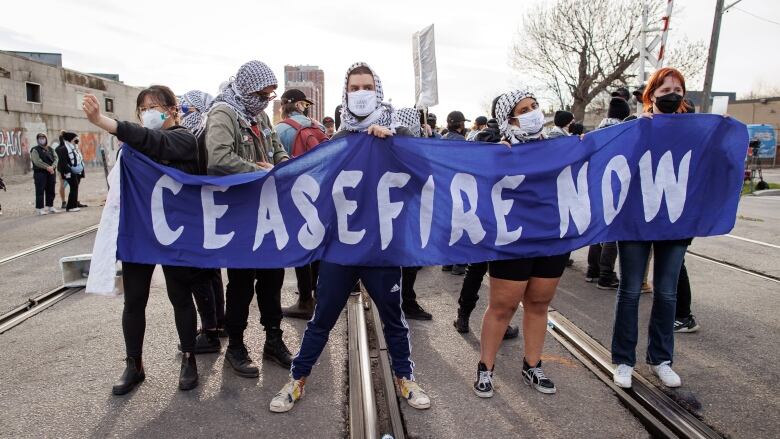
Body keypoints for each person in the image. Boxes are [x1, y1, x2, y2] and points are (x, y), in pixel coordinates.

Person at [271, 62, 430, 413]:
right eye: (355, 88)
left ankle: (405, 376)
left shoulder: (398, 135)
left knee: (394, 317)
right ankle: (297, 379)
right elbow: (314, 183)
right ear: (346, 93)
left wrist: (393, 146)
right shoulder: (338, 140)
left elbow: (424, 179)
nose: (361, 93)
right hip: (340, 248)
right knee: (322, 319)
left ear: (379, 89)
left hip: (383, 248)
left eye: (367, 86)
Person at [82, 85, 205, 394]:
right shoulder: (135, 145)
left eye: (155, 106)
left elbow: (152, 140)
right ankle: (133, 364)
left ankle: (189, 358)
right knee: (135, 300)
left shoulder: (184, 139)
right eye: (143, 108)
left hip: (174, 232)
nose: (148, 112)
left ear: (173, 110)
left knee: (180, 296)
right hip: (138, 232)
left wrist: (102, 121)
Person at [475, 87, 567, 398]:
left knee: (539, 303)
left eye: (534, 106)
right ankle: (485, 368)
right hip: (511, 238)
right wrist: (494, 157)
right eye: (524, 109)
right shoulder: (497, 150)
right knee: (503, 306)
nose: (532, 113)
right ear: (509, 120)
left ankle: (533, 364)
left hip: (551, 237)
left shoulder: (558, 145)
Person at [202, 60, 292, 377]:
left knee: (272, 279)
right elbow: (218, 159)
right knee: (241, 283)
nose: (267, 100)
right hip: (238, 214)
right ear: (247, 88)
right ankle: (236, 345)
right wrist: (260, 171)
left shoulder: (261, 116)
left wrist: (285, 168)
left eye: (271, 95)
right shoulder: (224, 113)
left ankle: (273, 339)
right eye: (263, 94)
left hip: (267, 213)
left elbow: (277, 151)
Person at [611, 67, 695, 390]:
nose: (672, 94)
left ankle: (661, 359)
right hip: (636, 220)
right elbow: (615, 163)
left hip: (675, 222)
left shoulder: (692, 130)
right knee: (630, 289)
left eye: (677, 89)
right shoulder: (634, 126)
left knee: (667, 292)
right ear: (651, 95)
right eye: (665, 89)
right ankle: (623, 360)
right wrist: (637, 131)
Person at [178, 89, 225, 352]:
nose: (184, 115)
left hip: (198, 213)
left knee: (198, 273)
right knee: (211, 271)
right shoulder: (209, 131)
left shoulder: (197, 135)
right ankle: (217, 323)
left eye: (186, 110)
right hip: (211, 213)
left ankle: (209, 334)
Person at [275, 88, 327, 319]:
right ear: (299, 105)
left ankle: (305, 299)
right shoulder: (319, 128)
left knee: (300, 244)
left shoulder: (280, 130)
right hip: (321, 192)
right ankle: (319, 294)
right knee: (317, 241)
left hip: (295, 194)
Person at [585, 96, 632, 290]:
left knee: (599, 228)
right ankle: (606, 273)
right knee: (612, 232)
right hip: (615, 185)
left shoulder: (598, 131)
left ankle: (592, 269)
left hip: (596, 184)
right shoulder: (623, 131)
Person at [392, 107, 432, 320]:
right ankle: (406, 301)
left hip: (397, 210)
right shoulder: (405, 142)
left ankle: (400, 301)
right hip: (404, 211)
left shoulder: (395, 141)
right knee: (407, 261)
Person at [55, 131, 85, 212]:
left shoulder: (72, 148)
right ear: (71, 139)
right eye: (75, 139)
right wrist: (68, 172)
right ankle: (70, 207)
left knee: (74, 187)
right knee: (73, 187)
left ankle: (73, 205)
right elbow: (63, 163)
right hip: (68, 172)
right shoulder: (63, 149)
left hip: (72, 171)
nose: (77, 141)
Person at [30, 133, 59, 215]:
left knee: (51, 190)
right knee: (40, 190)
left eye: (43, 138)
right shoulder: (35, 150)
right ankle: (39, 208)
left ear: (46, 139)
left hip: (51, 172)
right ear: (37, 140)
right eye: (39, 138)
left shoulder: (50, 149)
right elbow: (37, 161)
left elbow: (56, 158)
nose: (42, 139)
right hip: (40, 173)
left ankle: (50, 206)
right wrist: (47, 167)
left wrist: (52, 167)